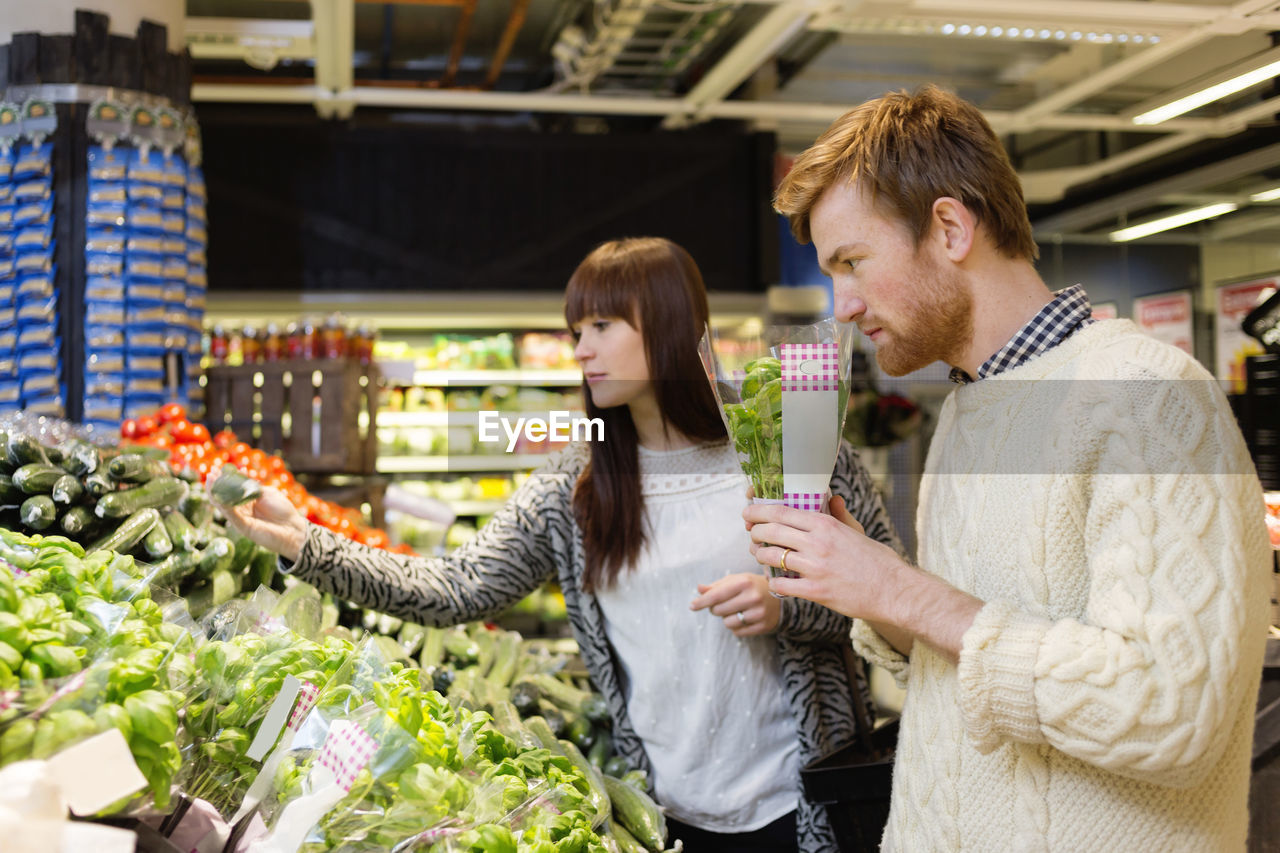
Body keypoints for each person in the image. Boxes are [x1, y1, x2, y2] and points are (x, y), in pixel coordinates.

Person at [216, 236, 901, 852]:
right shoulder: (576, 479)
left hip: (807, 807)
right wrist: (305, 542)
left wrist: (786, 605)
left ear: (670, 324)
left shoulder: (785, 443)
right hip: (668, 819)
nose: (580, 349)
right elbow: (458, 587)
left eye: (603, 325)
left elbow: (890, 602)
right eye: (577, 329)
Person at [745, 84, 1273, 851]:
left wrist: (902, 588)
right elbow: (965, 649)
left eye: (852, 262)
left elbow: (1170, 712)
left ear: (951, 227)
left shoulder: (1147, 397)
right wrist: (866, 584)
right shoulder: (970, 409)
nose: (844, 303)